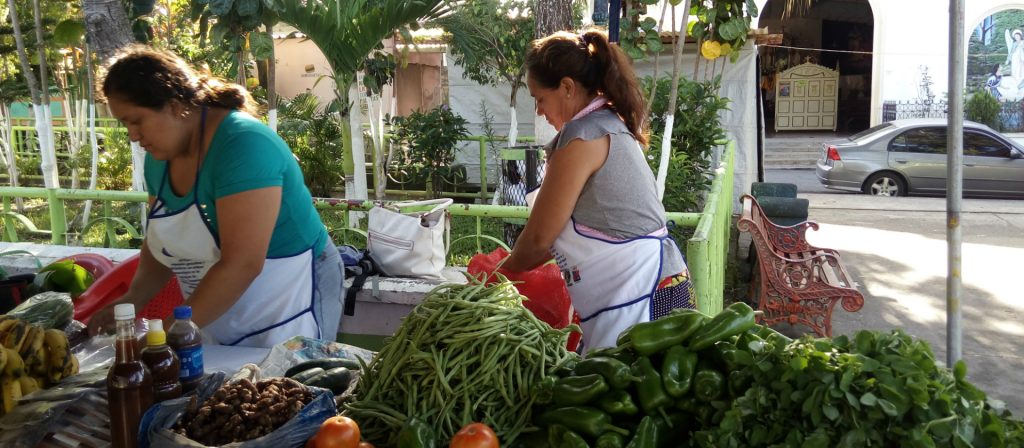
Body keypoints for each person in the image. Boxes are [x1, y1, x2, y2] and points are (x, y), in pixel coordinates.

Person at [86, 46, 344, 348]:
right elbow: (161, 244)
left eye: (137, 121)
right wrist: (132, 300)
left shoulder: (244, 145)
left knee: (293, 380)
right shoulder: (159, 159)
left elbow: (243, 263)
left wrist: (165, 334)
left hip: (292, 289)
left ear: (173, 106)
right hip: (221, 302)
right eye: (124, 124)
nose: (132, 135)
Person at [501, 29, 695, 352]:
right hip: (657, 288)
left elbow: (537, 240)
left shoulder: (583, 137)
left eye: (539, 99)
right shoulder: (607, 124)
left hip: (641, 300)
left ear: (566, 87)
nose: (538, 110)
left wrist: (491, 278)